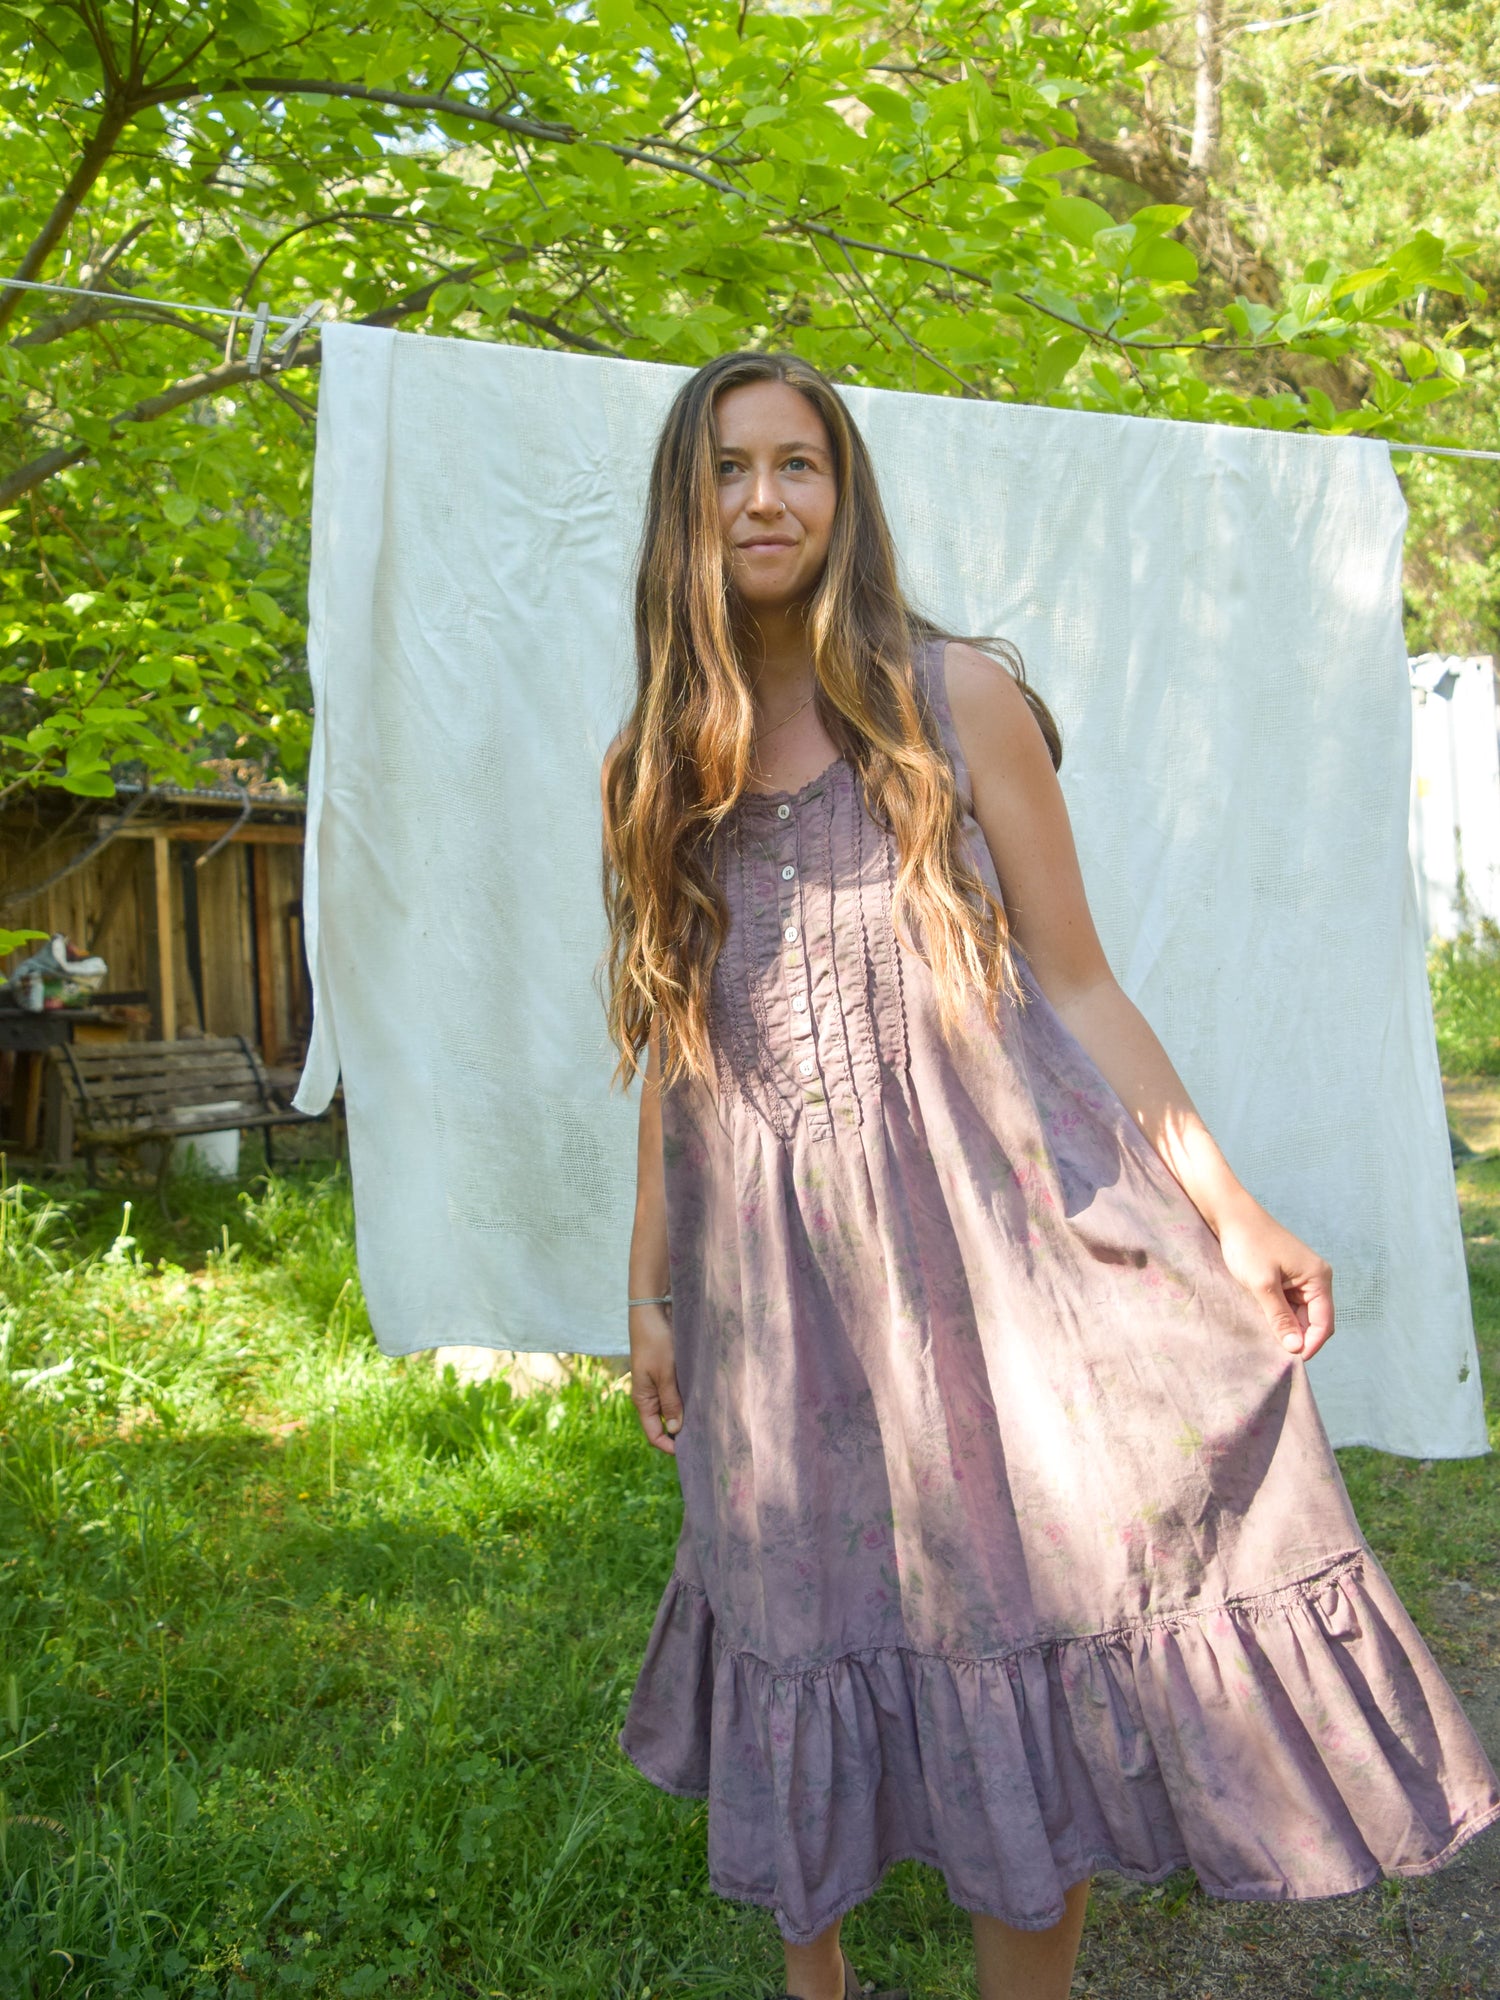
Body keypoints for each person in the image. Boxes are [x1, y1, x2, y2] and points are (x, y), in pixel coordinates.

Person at [599, 350, 1499, 2000]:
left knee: (1020, 1587)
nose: (765, 499)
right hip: (771, 1279)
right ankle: (821, 1985)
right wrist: (652, 1288)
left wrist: (1233, 1210)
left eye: (798, 464)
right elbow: (674, 1046)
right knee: (794, 1592)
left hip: (985, 1241)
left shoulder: (952, 699)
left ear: (844, 493)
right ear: (686, 505)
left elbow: (1078, 982)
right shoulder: (664, 758)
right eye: (728, 469)